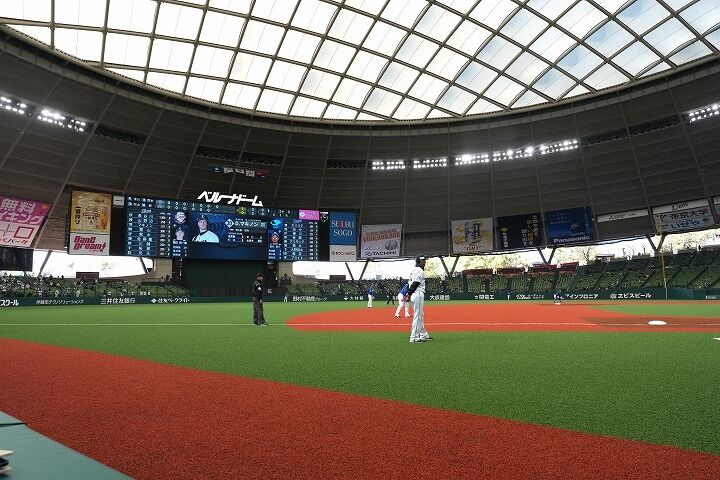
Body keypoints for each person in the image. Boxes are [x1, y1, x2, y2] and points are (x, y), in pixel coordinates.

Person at [405, 255, 431, 343]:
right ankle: (414, 337)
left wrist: (409, 293)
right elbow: (415, 283)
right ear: (419, 261)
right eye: (423, 260)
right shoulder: (419, 270)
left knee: (420, 314)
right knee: (418, 315)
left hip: (415, 293)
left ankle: (423, 334)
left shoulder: (413, 270)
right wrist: (408, 294)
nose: (425, 262)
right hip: (417, 293)